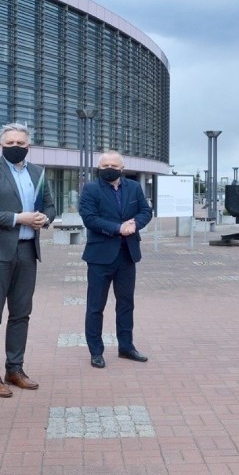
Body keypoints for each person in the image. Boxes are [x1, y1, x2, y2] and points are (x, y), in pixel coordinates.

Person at [0, 122, 56, 397]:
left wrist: (45, 218)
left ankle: (14, 369)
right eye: (10, 144)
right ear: (1, 145)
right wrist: (19, 218)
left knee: (21, 314)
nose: (15, 147)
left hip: (28, 252)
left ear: (28, 145)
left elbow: (50, 206)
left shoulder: (37, 172)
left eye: (20, 143)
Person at [78, 150, 153, 369]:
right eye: (105, 165)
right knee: (95, 306)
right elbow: (90, 218)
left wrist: (134, 225)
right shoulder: (91, 189)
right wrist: (118, 228)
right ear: (99, 168)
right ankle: (96, 351)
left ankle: (126, 347)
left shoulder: (134, 187)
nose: (109, 168)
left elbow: (145, 211)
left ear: (122, 168)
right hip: (100, 256)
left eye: (113, 165)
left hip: (127, 255)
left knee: (126, 304)